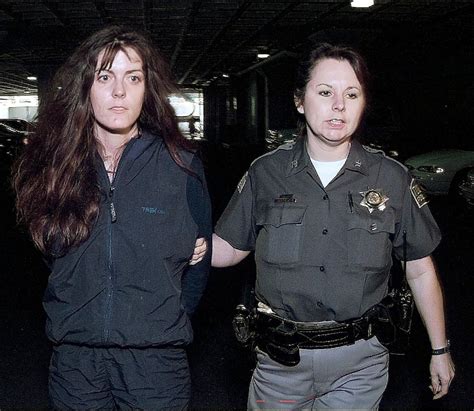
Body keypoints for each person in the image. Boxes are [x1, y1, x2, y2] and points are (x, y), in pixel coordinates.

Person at [212, 43, 455, 409]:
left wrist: (440, 350)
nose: (339, 105)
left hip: (360, 366)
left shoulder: (391, 178)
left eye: (352, 94)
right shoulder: (266, 173)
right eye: (325, 92)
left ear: (363, 104)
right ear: (299, 101)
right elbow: (230, 247)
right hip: (280, 361)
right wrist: (174, 240)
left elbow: (419, 270)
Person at [13, 25, 211, 409]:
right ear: (86, 87)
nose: (119, 91)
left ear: (146, 89)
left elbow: (199, 260)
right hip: (75, 363)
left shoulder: (180, 165)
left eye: (133, 78)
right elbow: (49, 256)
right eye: (105, 77)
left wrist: (164, 324)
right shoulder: (54, 167)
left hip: (156, 365)